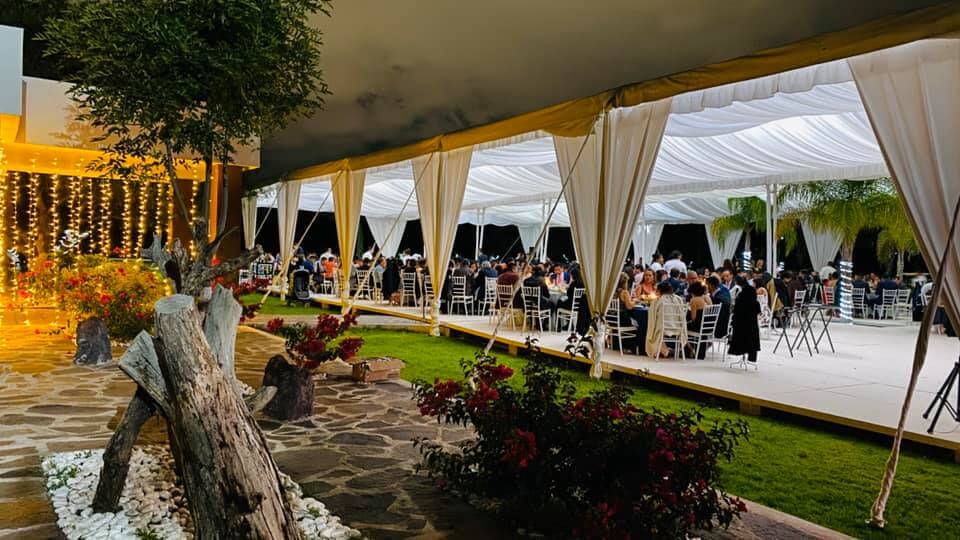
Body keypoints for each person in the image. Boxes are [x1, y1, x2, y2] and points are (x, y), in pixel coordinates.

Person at [645, 281, 685, 358]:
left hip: (662, 328)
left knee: (651, 330)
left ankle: (664, 351)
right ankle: (665, 350)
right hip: (678, 328)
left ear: (659, 290)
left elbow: (652, 317)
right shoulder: (678, 299)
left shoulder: (658, 300)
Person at [728, 276, 761, 363]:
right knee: (751, 339)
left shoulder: (741, 298)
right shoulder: (754, 300)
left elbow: (736, 310)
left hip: (741, 324)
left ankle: (741, 351)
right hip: (752, 324)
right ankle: (751, 357)